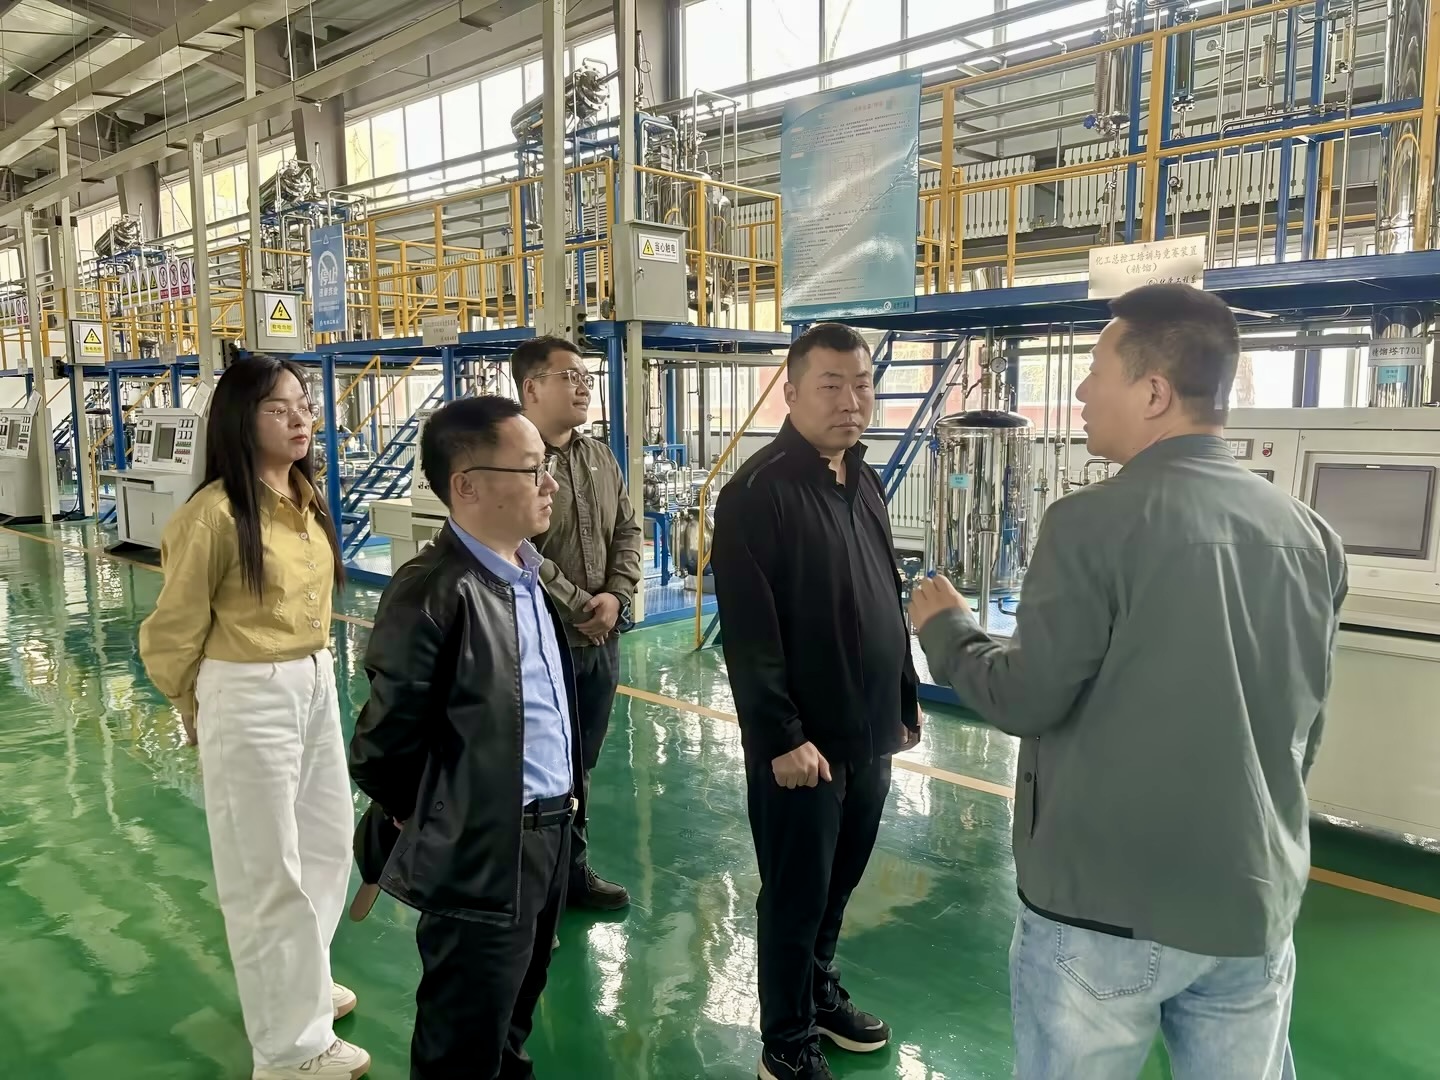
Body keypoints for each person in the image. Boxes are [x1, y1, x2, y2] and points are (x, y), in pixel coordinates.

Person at [909, 283, 1348, 1080]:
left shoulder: (1089, 525)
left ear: (1153, 393)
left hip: (1101, 914)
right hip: (1250, 906)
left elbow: (1025, 697)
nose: (1080, 392)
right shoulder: (1311, 537)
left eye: (1096, 372)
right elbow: (1304, 724)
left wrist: (946, 630)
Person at [138, 354, 368, 1080]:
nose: (300, 419)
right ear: (242, 421)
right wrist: (191, 705)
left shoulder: (305, 496)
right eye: (279, 408)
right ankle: (288, 1051)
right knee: (266, 869)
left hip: (312, 678)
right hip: (245, 690)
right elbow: (171, 630)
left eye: (303, 404)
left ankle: (299, 989)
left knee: (326, 845)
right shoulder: (212, 516)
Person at [710, 322, 922, 1080]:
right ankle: (785, 1041)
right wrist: (780, 736)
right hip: (803, 745)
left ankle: (818, 990)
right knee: (796, 894)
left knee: (840, 883)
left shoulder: (864, 480)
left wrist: (903, 701)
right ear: (792, 393)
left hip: (871, 733)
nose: (850, 401)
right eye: (831, 386)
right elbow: (749, 633)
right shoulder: (755, 493)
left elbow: (885, 597)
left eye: (862, 385)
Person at [349, 394, 583, 1080]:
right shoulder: (433, 591)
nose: (549, 483)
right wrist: (438, 816)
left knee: (511, 1018)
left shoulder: (527, 576)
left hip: (550, 836)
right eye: (532, 469)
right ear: (468, 485)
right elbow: (383, 747)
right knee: (462, 1039)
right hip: (483, 847)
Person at [512, 336, 642, 911]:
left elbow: (628, 530)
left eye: (586, 377)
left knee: (581, 762)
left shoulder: (600, 458)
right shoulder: (513, 459)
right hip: (541, 642)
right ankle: (533, 878)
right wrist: (577, 604)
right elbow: (514, 546)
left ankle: (571, 870)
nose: (584, 386)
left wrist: (616, 596)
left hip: (599, 641)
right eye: (569, 376)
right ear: (531, 387)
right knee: (537, 764)